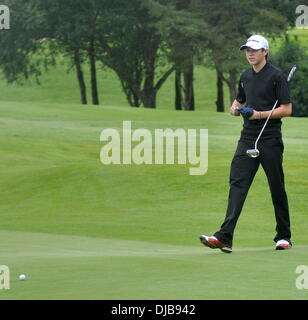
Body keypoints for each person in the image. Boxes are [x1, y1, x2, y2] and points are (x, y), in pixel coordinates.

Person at [200, 34, 293, 253]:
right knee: (238, 185)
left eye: (254, 50)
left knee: (276, 187)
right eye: (247, 50)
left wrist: (258, 114)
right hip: (247, 139)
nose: (250, 53)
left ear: (265, 52)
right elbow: (239, 100)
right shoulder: (245, 76)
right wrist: (234, 109)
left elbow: (286, 109)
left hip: (270, 139)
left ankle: (284, 236)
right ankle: (224, 237)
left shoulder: (276, 76)